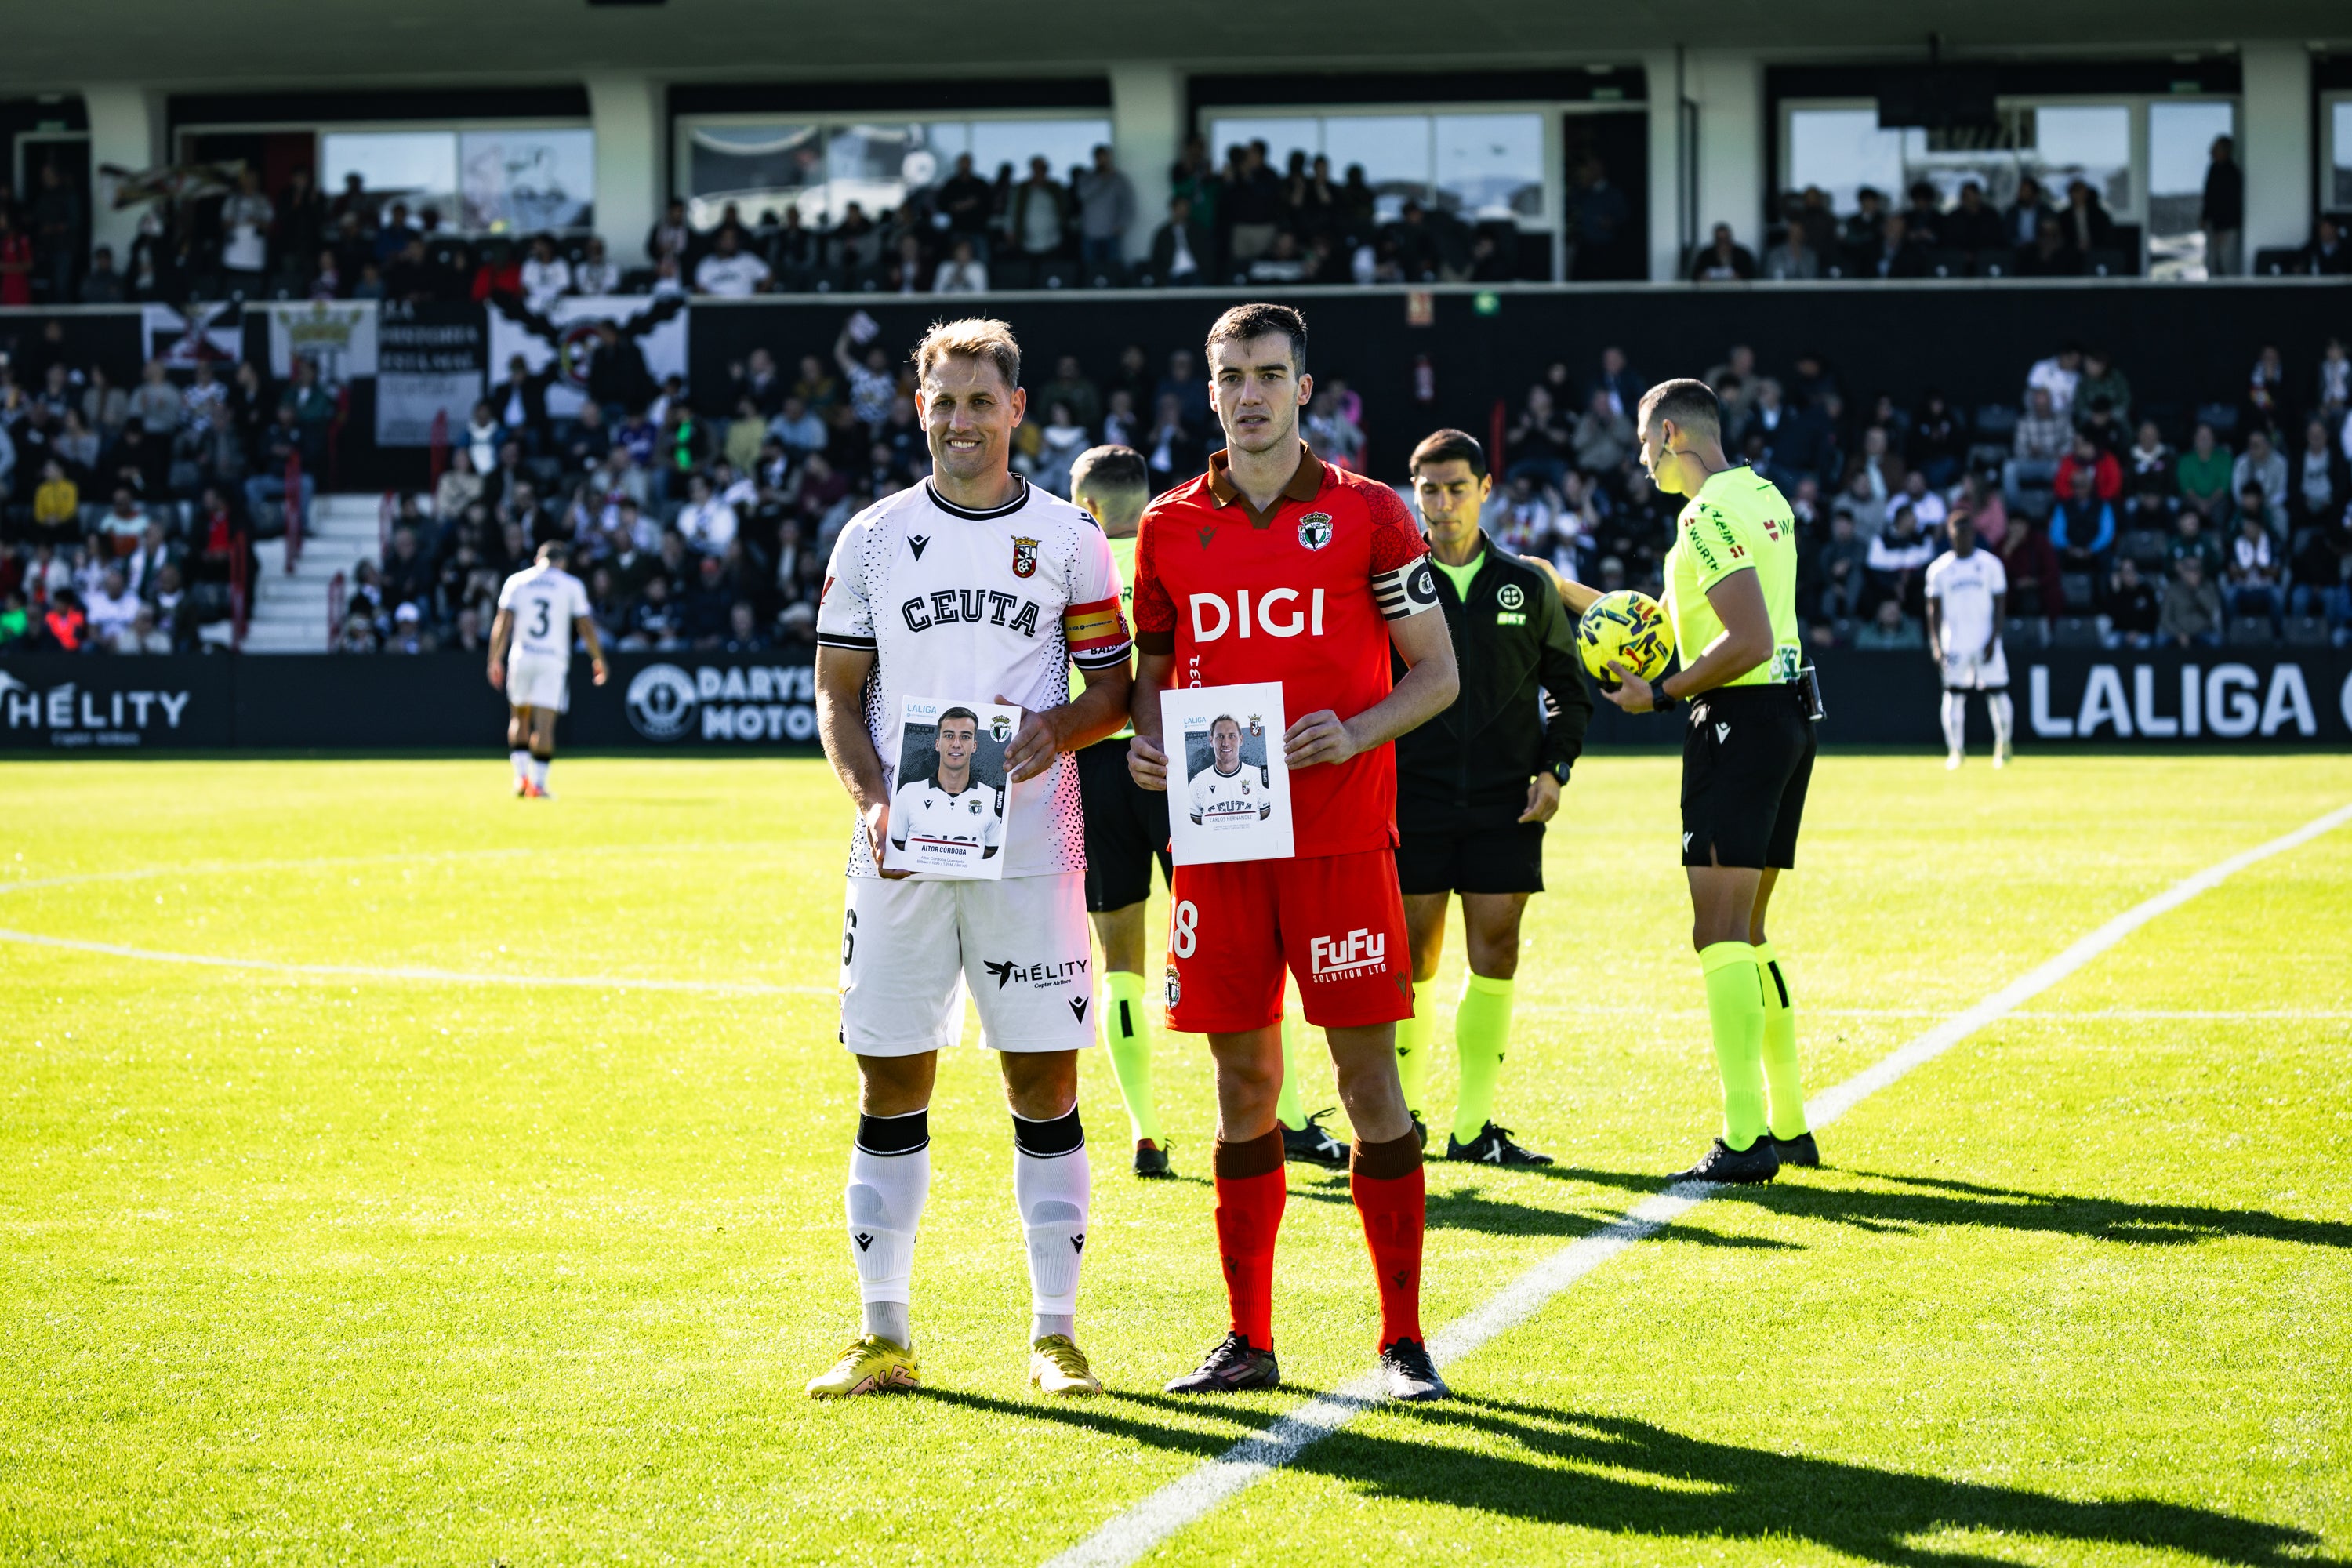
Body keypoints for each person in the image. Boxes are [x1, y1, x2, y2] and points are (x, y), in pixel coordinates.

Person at [1125, 303, 1459, 1401]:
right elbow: (1159, 669)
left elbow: (1436, 673)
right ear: (1210, 390)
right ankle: (1248, 1341)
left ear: (1306, 388)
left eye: (1272, 373)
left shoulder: (1372, 516)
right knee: (1241, 1083)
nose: (1252, 392)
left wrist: (1356, 730)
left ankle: (1402, 1342)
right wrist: (1144, 740)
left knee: (1368, 1084)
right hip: (1221, 848)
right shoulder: (1170, 529)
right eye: (1233, 376)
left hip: (1342, 839)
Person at [808, 318, 1134, 1402]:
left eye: (980, 401)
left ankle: (1055, 1335)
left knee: (1042, 1078)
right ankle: (883, 1333)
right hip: (904, 851)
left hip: (1034, 848)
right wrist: (868, 804)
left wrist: (1059, 730)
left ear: (1016, 410)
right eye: (943, 402)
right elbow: (838, 693)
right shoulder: (870, 536)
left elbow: (1114, 691)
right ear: (920, 410)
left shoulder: (1072, 539)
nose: (961, 420)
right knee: (892, 1074)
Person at [1559, 378, 1817, 1185]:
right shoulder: (1762, 493)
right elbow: (1670, 624)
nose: (1643, 462)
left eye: (1644, 445)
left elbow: (1743, 637)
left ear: (1671, 434)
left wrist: (1660, 695)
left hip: (1737, 722)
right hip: (1787, 715)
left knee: (1718, 933)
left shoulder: (1703, 514)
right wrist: (1559, 586)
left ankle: (1744, 1140)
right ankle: (1789, 1120)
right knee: (1750, 930)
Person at [1390, 428, 1590, 1165]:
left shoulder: (1527, 584)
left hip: (1509, 802)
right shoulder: (1392, 583)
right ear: (1416, 495)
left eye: (1457, 489)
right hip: (1415, 799)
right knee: (1411, 957)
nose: (1443, 506)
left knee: (1495, 952)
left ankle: (1474, 1128)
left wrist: (1555, 769)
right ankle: (1400, 1121)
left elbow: (1570, 694)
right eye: (1430, 492)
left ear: (1486, 490)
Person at [1065, 445, 1178, 1180]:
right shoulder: (1176, 555)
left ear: (1091, 508)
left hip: (1097, 765)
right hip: (1179, 759)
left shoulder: (1069, 567)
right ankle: (1285, 1115)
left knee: (1121, 961)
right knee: (1237, 947)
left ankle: (1145, 1130)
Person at [488, 540, 609, 799]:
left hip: (522, 655)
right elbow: (585, 627)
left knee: (519, 717)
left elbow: (502, 623)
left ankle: (521, 779)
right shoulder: (570, 585)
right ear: (562, 562)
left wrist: (494, 660)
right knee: (544, 724)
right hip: (552, 660)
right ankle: (539, 785)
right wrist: (598, 658)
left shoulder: (517, 581)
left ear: (537, 560)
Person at [1924, 511, 2013, 770]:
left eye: (1966, 532)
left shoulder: (1990, 565)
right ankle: (1956, 751)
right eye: (1957, 532)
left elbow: (2000, 605)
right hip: (1955, 644)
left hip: (1986, 642)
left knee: (1998, 693)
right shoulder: (1939, 570)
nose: (1962, 537)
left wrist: (1993, 639)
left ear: (1973, 534)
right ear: (1950, 534)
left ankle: (2003, 746)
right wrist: (1936, 644)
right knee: (1954, 696)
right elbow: (1933, 610)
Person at [886, 707, 1005, 861]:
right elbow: (897, 849)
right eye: (949, 736)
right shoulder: (908, 793)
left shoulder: (992, 798)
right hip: (917, 882)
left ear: (974, 746)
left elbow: (991, 854)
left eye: (965, 737)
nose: (956, 744)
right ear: (937, 744)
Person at [2201, 136, 2242, 278]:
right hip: (2213, 224)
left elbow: (2232, 203)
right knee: (2211, 263)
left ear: (2225, 151)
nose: (2211, 151)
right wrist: (2205, 217)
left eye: (2216, 148)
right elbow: (2209, 198)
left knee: (2227, 264)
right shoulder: (2213, 169)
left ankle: (2231, 297)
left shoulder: (2232, 173)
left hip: (2227, 228)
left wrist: (2223, 229)